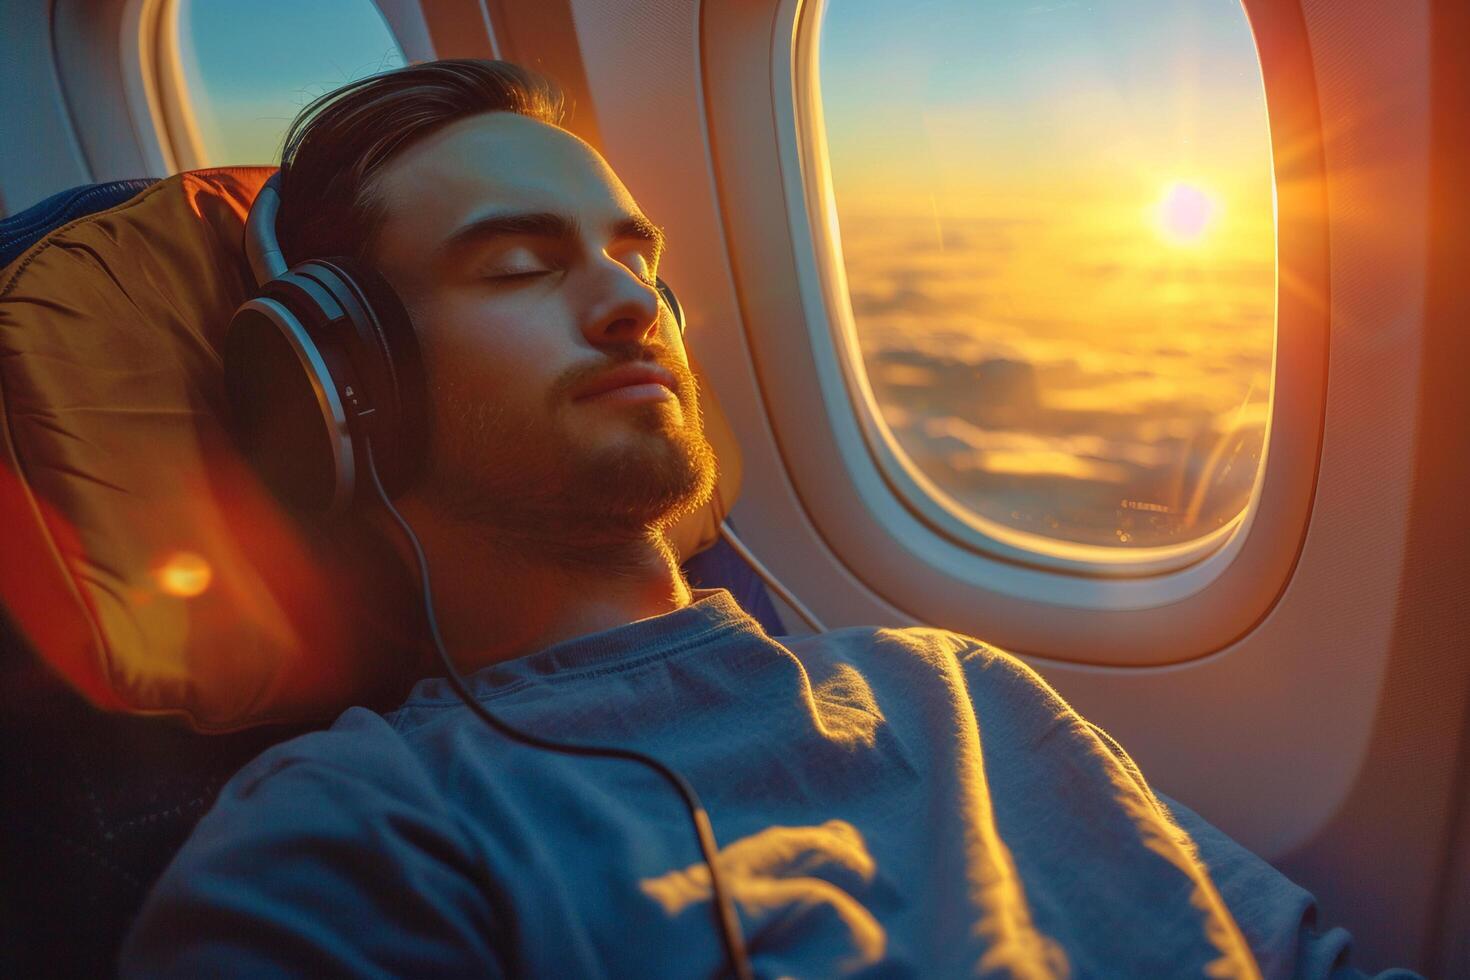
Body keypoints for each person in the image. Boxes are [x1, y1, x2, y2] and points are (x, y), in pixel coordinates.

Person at [118, 60, 1415, 979]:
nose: (636, 308)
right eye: (518, 266)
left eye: (637, 260)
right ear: (349, 386)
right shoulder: (356, 833)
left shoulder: (954, 688)